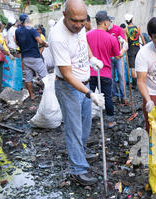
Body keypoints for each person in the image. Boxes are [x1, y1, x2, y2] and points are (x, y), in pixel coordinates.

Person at [48, 0, 105, 187]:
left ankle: (80, 150)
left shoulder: (79, 28)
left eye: (83, 21)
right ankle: (77, 170)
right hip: (68, 87)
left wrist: (92, 58)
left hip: (84, 84)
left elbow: (83, 42)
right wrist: (90, 93)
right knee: (74, 129)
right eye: (75, 21)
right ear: (64, 15)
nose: (80, 25)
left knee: (85, 124)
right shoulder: (57, 36)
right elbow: (67, 74)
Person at [87, 10, 125, 128]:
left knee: (88, 96)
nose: (110, 23)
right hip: (105, 73)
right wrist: (125, 48)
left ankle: (86, 119)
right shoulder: (111, 38)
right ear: (104, 22)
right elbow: (118, 55)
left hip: (91, 72)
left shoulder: (87, 36)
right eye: (109, 21)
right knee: (107, 96)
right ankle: (110, 121)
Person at [15, 14, 48, 100]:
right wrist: (45, 44)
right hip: (35, 57)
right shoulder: (32, 30)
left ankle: (32, 95)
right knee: (45, 76)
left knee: (28, 78)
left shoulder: (17, 31)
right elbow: (39, 40)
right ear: (28, 20)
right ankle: (49, 94)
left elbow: (17, 42)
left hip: (25, 57)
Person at [105, 15, 128, 105]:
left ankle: (123, 96)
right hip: (109, 57)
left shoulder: (118, 29)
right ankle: (115, 95)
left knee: (121, 76)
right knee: (111, 77)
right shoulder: (105, 31)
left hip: (119, 56)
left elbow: (124, 42)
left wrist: (122, 46)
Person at [124, 13, 145, 89]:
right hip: (137, 48)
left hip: (130, 49)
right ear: (132, 19)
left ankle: (135, 84)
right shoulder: (137, 28)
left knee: (132, 67)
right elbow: (142, 38)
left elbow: (126, 41)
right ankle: (140, 82)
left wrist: (124, 48)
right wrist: (144, 45)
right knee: (139, 65)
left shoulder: (125, 29)